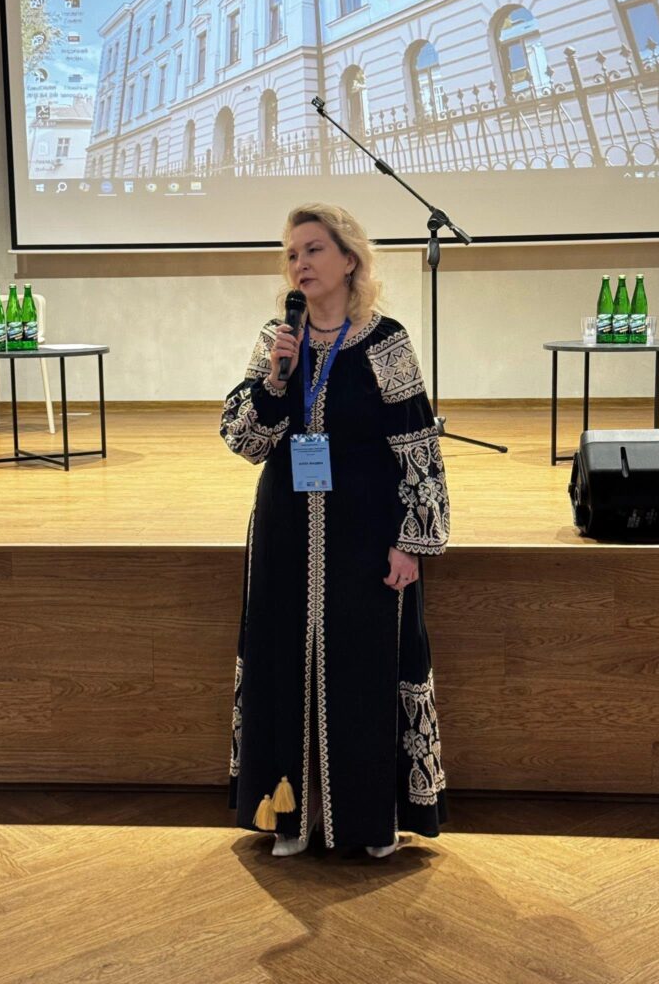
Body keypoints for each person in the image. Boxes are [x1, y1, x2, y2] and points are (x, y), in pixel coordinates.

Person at [220, 202, 449, 858]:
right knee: (284, 666)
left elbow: (418, 447)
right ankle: (289, 818)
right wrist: (275, 381)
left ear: (349, 260)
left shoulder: (386, 341)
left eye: (314, 249)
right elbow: (244, 440)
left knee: (363, 671)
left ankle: (370, 820)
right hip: (286, 533)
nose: (301, 263)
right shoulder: (276, 340)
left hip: (366, 533)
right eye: (292, 254)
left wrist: (411, 541)